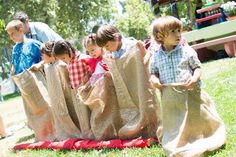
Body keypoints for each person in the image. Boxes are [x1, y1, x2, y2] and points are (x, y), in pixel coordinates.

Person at [150, 16, 226, 156]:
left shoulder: (186, 51)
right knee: (175, 121)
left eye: (179, 30)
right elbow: (153, 73)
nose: (178, 34)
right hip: (171, 98)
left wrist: (194, 78)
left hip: (190, 92)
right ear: (160, 36)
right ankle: (180, 140)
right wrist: (154, 80)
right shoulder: (156, 56)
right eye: (173, 31)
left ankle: (203, 134)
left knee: (196, 117)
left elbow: (197, 67)